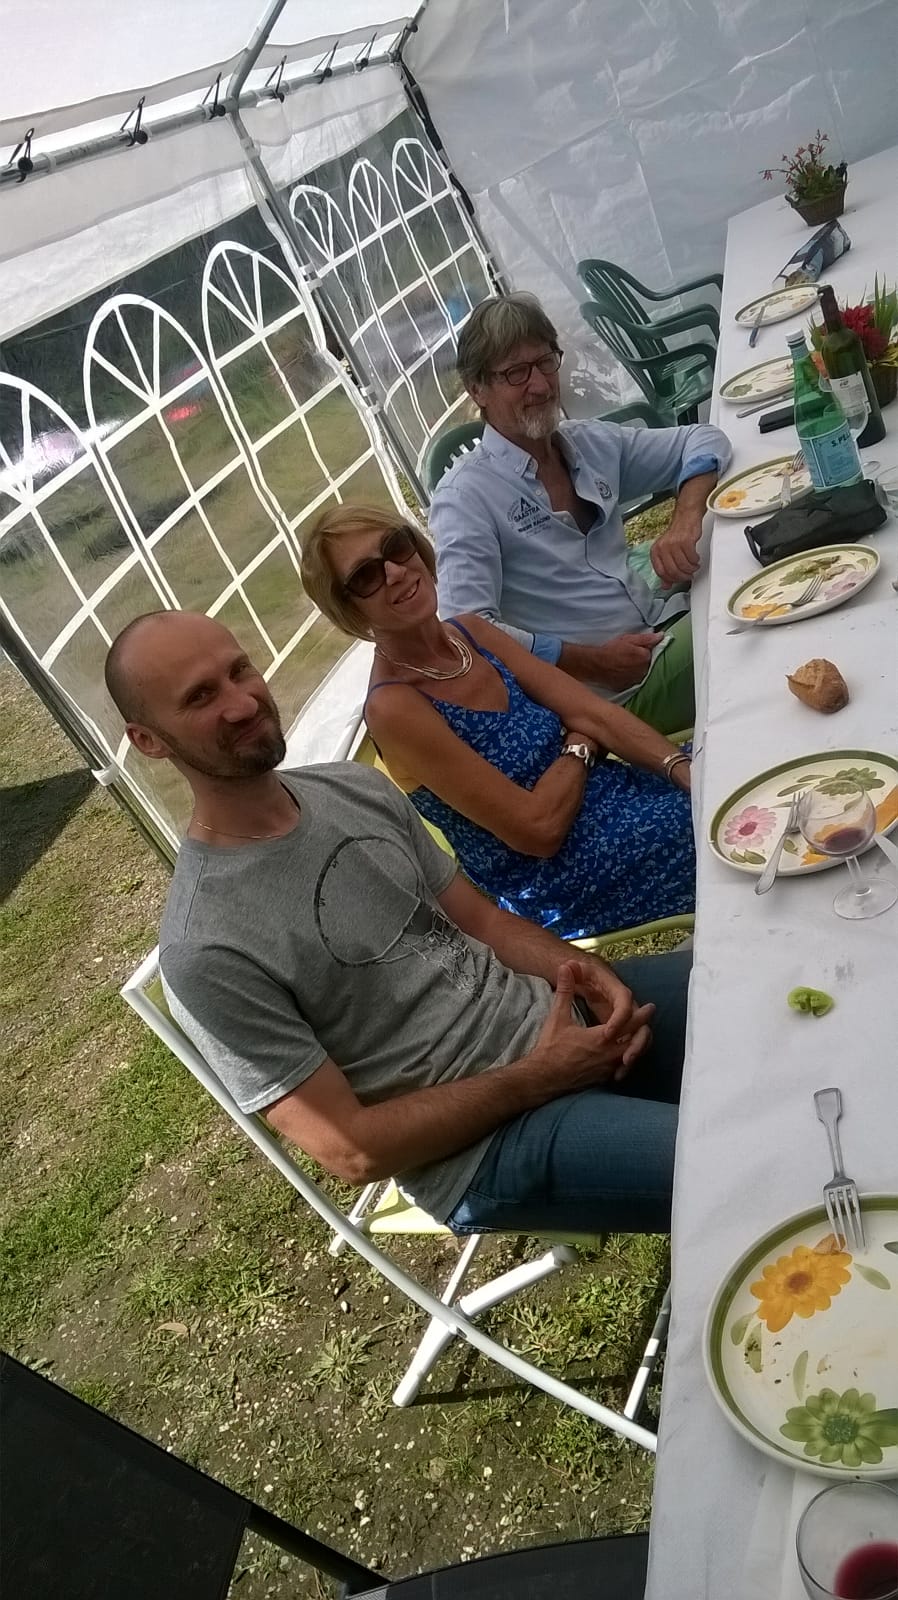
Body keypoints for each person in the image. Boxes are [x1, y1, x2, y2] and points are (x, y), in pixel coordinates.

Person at [104, 609, 692, 1237]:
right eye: (200, 697)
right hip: (486, 1148)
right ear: (149, 740)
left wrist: (588, 974)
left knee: (755, 989)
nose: (242, 703)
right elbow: (353, 1150)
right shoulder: (205, 946)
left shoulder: (354, 789)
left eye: (239, 670)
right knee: (731, 1157)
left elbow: (483, 920)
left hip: (554, 1018)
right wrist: (541, 1076)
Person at [300, 505, 695, 941]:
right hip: (565, 872)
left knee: (720, 769)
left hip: (615, 795)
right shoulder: (394, 707)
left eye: (396, 546)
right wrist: (580, 745)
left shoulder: (470, 633)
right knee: (708, 825)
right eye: (365, 576)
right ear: (349, 611)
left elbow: (595, 713)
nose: (394, 571)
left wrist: (679, 767)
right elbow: (538, 829)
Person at [429, 292, 733, 736]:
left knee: (751, 553)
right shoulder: (466, 498)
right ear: (477, 389)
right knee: (741, 622)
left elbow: (705, 439)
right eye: (516, 373)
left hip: (659, 623)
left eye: (545, 362)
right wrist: (589, 662)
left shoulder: (583, 443)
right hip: (613, 699)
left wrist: (685, 519)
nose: (540, 385)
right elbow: (467, 630)